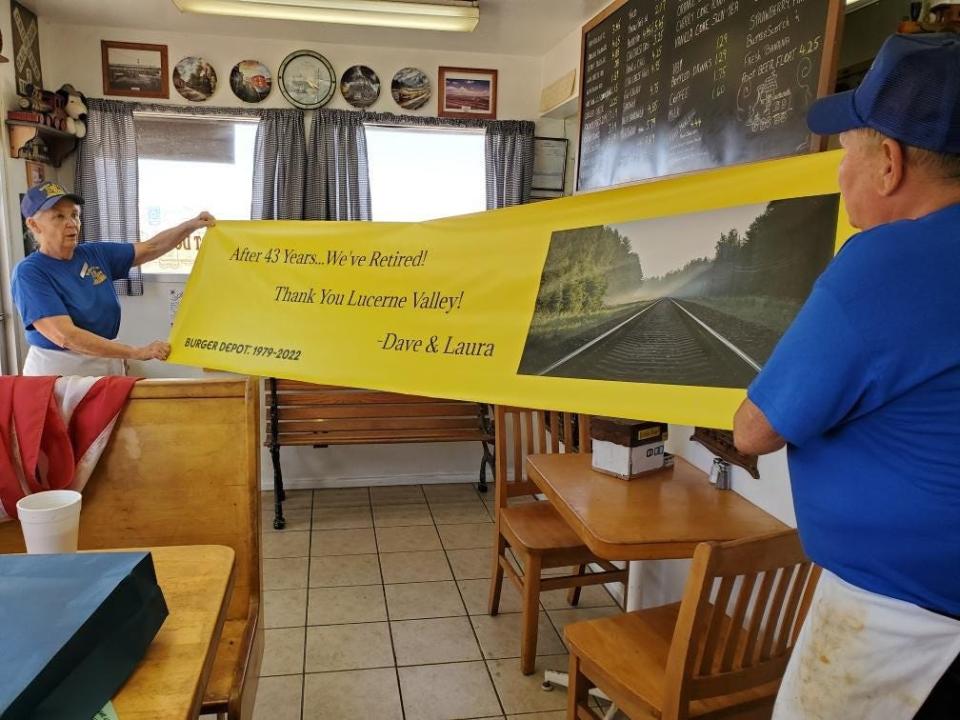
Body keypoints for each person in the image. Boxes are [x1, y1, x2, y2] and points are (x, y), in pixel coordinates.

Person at [732, 34, 960, 719]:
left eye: (845, 155)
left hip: (904, 624)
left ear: (888, 163)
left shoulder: (884, 264)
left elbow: (754, 430)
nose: (838, 176)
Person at [12, 181, 215, 376]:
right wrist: (137, 352)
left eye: (74, 214)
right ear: (34, 225)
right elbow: (66, 336)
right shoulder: (29, 273)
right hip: (59, 374)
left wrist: (191, 226)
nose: (71, 223)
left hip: (105, 364)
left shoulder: (95, 254)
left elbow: (150, 247)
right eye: (58, 216)